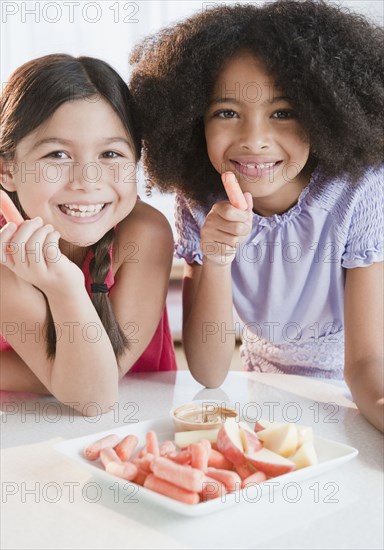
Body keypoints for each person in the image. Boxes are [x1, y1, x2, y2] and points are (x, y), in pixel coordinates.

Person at [129, 1, 384, 431]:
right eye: (227, 113)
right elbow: (210, 372)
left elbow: (365, 362)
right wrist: (216, 257)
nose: (255, 140)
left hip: (358, 395)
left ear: (325, 116)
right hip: (262, 393)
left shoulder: (357, 192)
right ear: (194, 122)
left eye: (283, 113)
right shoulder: (200, 201)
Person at [0, 54, 177, 415]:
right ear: (7, 171)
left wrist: (63, 286)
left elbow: (93, 393)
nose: (87, 181)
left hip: (132, 431)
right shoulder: (7, 248)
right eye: (57, 155)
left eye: (111, 153)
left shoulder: (146, 234)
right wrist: (58, 372)